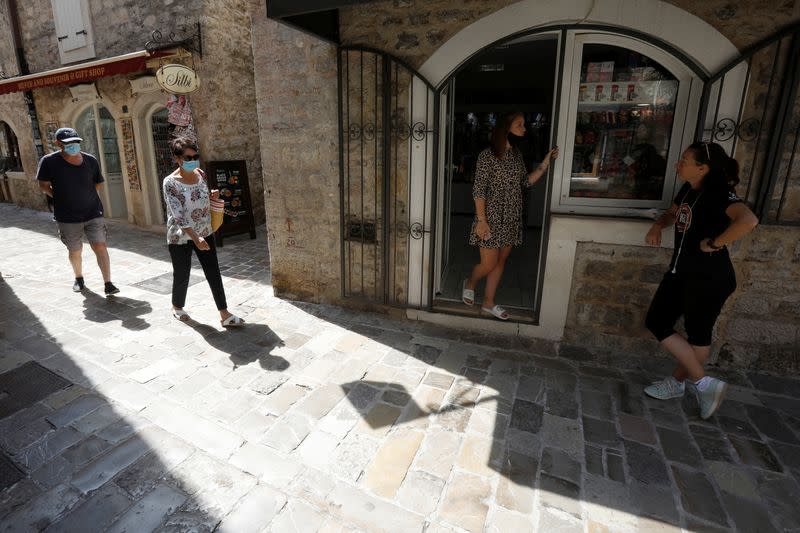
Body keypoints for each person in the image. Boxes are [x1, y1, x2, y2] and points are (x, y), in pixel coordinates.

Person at [643, 141, 758, 419]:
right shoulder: (687, 189)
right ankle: (699, 382)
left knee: (698, 335)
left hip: (708, 276)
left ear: (702, 168)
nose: (677, 164)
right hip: (680, 271)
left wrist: (716, 243)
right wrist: (658, 225)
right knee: (657, 321)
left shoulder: (720, 193)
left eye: (684, 160)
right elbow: (673, 214)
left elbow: (748, 220)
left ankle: (694, 383)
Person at [461, 112, 558, 320]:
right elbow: (479, 190)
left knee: (500, 262)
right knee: (488, 263)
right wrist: (481, 221)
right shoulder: (487, 156)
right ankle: (470, 282)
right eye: (519, 125)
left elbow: (525, 182)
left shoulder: (516, 155)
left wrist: (544, 164)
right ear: (506, 128)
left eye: (524, 124)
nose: (524, 128)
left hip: (512, 217)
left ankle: (488, 302)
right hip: (491, 217)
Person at [163, 137, 244, 327]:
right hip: (180, 236)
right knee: (182, 273)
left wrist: (211, 196)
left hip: (204, 231)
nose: (192, 160)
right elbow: (179, 215)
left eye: (195, 156)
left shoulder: (200, 174)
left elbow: (200, 198)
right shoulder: (170, 183)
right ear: (177, 158)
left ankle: (224, 314)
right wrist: (195, 237)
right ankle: (177, 306)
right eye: (187, 157)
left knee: (213, 271)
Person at [36, 127, 119, 295]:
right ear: (58, 144)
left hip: (93, 213)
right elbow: (43, 185)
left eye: (75, 142)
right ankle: (79, 278)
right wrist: (59, 197)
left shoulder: (90, 160)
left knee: (100, 245)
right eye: (68, 143)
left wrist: (87, 197)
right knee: (75, 250)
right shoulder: (49, 162)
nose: (73, 145)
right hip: (67, 217)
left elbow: (97, 183)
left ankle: (108, 283)